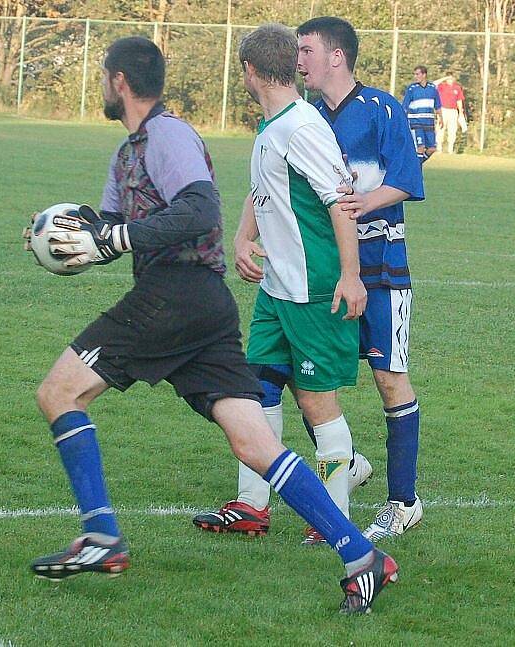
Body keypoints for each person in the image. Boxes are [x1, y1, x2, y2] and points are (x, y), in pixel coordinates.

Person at [25, 35, 398, 614]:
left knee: (58, 392)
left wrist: (118, 237)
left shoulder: (168, 135)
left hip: (173, 295)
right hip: (202, 308)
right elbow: (116, 225)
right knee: (254, 442)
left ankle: (101, 536)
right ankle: (359, 554)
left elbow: (198, 210)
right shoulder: (129, 152)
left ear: (120, 81)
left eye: (104, 76)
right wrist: (70, 234)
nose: (102, 84)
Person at [191, 24, 372, 547]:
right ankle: (252, 505)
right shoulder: (274, 125)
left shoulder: (303, 128)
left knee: (318, 404)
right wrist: (244, 237)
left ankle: (334, 519)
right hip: (277, 287)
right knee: (256, 389)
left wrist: (351, 277)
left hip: (315, 288)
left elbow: (341, 203)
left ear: (249, 71)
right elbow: (264, 188)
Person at [296, 16, 425, 540]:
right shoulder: (302, 117)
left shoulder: (382, 109)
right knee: (309, 378)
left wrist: (362, 203)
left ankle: (403, 502)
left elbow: (406, 179)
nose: (298, 59)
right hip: (327, 272)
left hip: (382, 270)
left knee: (389, 378)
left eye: (306, 50)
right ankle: (346, 464)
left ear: (336, 56)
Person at [402, 65, 442, 164]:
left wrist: (441, 118)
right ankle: (417, 172)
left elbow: (437, 105)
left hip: (429, 122)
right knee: (420, 147)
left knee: (432, 148)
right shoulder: (412, 88)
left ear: (424, 75)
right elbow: (405, 106)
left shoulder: (432, 88)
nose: (416, 76)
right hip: (415, 122)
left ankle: (415, 165)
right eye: (415, 74)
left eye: (417, 74)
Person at [435, 73, 467, 154]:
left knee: (452, 130)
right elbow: (434, 83)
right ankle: (439, 148)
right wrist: (444, 78)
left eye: (451, 78)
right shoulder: (442, 86)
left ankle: (450, 149)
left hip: (453, 111)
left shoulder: (457, 88)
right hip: (443, 110)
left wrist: (460, 112)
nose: (450, 80)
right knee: (441, 128)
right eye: (449, 78)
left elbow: (459, 100)